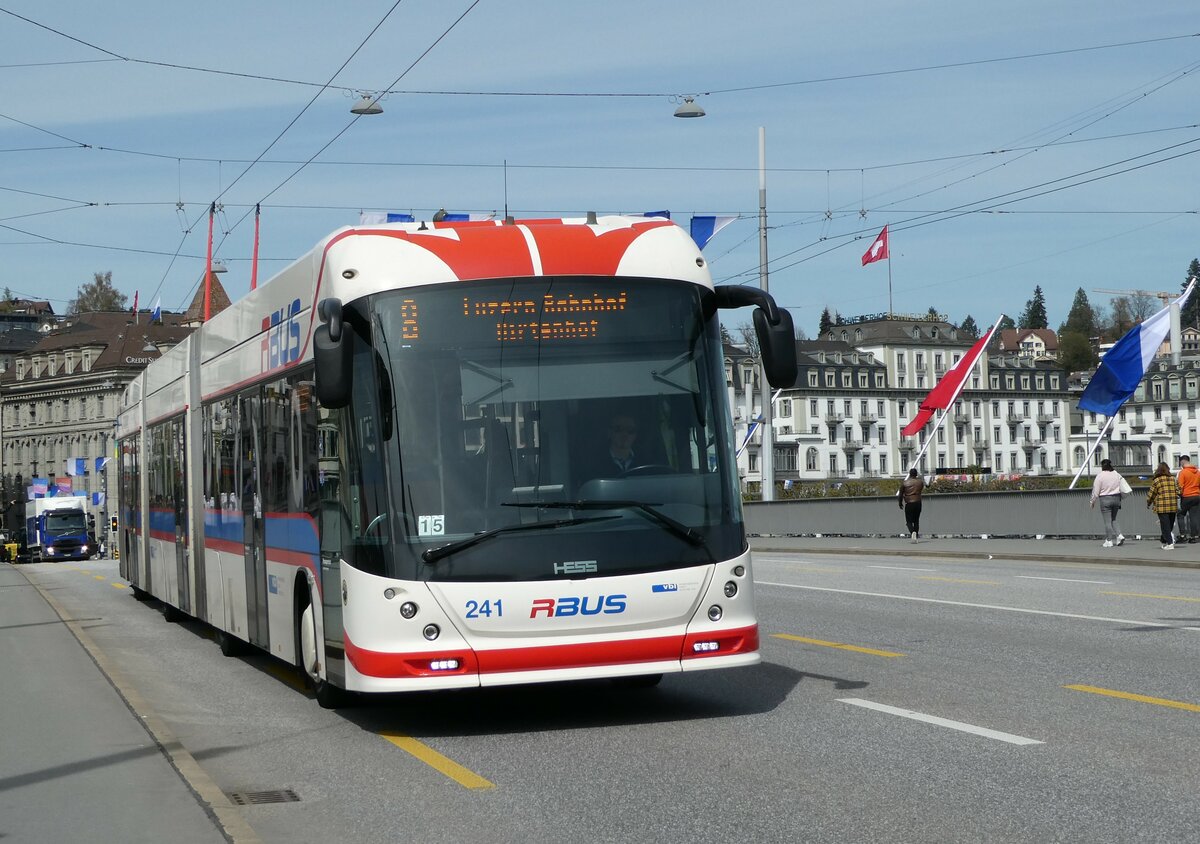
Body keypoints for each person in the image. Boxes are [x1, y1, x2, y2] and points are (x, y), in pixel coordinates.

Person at [584, 413, 641, 479]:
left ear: (635, 435)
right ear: (609, 433)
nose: (624, 434)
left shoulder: (645, 462)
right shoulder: (594, 463)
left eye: (630, 430)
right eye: (618, 429)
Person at [1089, 458, 1126, 548]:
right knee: (1113, 519)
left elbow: (1096, 491)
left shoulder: (1100, 476)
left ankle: (1109, 540)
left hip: (1105, 499)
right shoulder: (1116, 474)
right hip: (1117, 498)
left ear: (1102, 466)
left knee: (1107, 522)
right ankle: (1119, 535)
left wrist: (1092, 501)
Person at [1146, 461, 1181, 550]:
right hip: (1173, 505)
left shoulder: (1156, 480)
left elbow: (1152, 494)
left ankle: (1170, 543)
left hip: (1161, 506)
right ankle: (1165, 539)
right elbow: (1179, 491)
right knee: (1170, 524)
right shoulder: (1173, 479)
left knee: (1165, 524)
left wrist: (1148, 502)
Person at [897, 468, 925, 541]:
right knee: (916, 520)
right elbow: (920, 490)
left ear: (909, 474)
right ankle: (916, 534)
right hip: (918, 502)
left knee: (909, 521)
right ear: (916, 474)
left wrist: (900, 503)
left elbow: (900, 494)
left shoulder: (905, 483)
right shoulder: (920, 482)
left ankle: (912, 533)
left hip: (909, 503)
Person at [1177, 455, 1200, 543]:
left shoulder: (1183, 472)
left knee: (1180, 515)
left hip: (1187, 496)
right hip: (1197, 496)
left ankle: (1183, 536)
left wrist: (1179, 495)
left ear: (1183, 461)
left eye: (1180, 463)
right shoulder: (1197, 472)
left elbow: (1180, 487)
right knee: (1194, 517)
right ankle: (1195, 536)